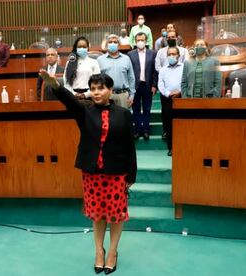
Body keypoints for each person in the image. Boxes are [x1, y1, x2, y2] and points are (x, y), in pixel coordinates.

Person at [39, 71, 137, 275]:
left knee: (116, 216)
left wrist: (131, 174)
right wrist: (55, 85)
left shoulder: (124, 114)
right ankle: (99, 252)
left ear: (110, 90)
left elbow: (130, 146)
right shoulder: (84, 111)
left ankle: (112, 252)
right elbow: (69, 100)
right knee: (98, 215)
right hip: (92, 173)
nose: (96, 92)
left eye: (101, 88)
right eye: (93, 89)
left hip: (116, 173)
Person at [155, 30, 189, 140]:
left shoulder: (184, 52)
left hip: (181, 95)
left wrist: (180, 91)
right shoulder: (160, 52)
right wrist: (168, 93)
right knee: (167, 117)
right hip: (167, 95)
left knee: (181, 119)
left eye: (173, 37)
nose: (171, 38)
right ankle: (169, 141)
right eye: (169, 37)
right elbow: (158, 68)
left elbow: (187, 77)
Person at [127, 32, 157, 140]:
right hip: (135, 86)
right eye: (138, 40)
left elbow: (155, 71)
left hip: (148, 85)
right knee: (135, 109)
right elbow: (128, 71)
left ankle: (146, 130)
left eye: (142, 40)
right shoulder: (130, 54)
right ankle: (138, 130)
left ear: (146, 41)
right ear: (135, 41)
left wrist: (154, 85)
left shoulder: (153, 53)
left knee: (147, 109)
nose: (140, 42)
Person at [97, 34, 136, 108]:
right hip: (106, 95)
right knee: (107, 118)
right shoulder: (100, 60)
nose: (113, 44)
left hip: (123, 96)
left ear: (119, 45)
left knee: (123, 118)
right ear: (107, 44)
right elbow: (97, 79)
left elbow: (131, 78)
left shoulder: (126, 59)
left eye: (115, 42)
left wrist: (132, 95)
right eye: (110, 42)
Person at [158, 47, 183, 156]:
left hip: (182, 99)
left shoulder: (184, 67)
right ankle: (171, 148)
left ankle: (182, 146)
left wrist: (180, 92)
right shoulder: (163, 70)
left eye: (174, 54)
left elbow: (186, 82)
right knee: (169, 125)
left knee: (181, 124)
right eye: (169, 54)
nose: (171, 56)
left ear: (178, 55)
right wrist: (168, 94)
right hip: (168, 99)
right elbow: (160, 85)